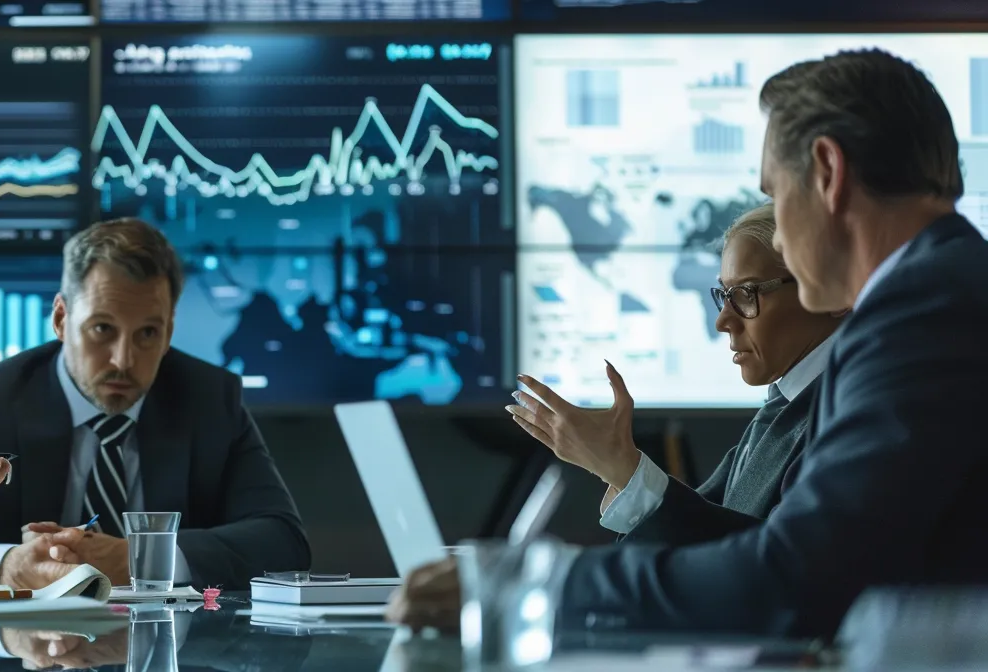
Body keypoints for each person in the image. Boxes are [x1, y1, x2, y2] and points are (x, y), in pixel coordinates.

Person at [391, 48, 988, 638]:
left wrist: (536, 588)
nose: (779, 227)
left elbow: (794, 576)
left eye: (776, 196)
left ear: (828, 173)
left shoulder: (926, 310)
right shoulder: (941, 292)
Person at [0, 217, 310, 598]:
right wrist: (7, 566)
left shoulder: (211, 399)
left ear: (170, 329)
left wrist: (142, 559)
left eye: (147, 334)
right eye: (102, 328)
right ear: (62, 319)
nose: (124, 359)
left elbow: (284, 542)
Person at [506, 205, 843, 543]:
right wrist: (617, 469)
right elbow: (704, 529)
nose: (722, 321)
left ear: (827, 290)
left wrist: (624, 468)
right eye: (724, 296)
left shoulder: (845, 415)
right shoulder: (784, 405)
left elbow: (770, 564)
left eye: (746, 293)